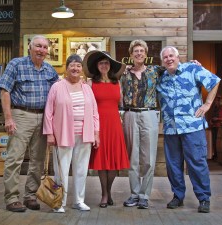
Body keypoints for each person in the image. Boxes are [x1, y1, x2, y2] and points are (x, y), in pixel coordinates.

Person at [0, 35, 59, 212]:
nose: (41, 50)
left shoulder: (49, 70)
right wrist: (8, 118)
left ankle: (30, 196)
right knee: (14, 158)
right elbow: (4, 91)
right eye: (38, 46)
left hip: (42, 118)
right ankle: (12, 198)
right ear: (30, 48)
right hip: (21, 115)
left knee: (38, 161)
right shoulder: (16, 64)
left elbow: (59, 92)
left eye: (45, 47)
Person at [156, 46, 220, 213]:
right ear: (162, 61)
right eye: (165, 57)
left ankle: (204, 198)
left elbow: (214, 81)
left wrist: (207, 104)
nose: (169, 59)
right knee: (173, 165)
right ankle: (178, 196)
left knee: (197, 163)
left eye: (171, 56)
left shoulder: (192, 69)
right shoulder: (161, 78)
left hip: (193, 127)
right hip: (171, 129)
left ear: (178, 57)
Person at [43, 54, 100, 213]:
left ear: (82, 69)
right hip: (62, 134)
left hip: (84, 134)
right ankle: (60, 202)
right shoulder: (57, 86)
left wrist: (96, 133)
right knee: (61, 170)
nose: (75, 68)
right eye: (72, 65)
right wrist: (49, 133)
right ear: (66, 68)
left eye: (78, 66)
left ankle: (78, 201)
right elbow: (49, 112)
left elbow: (95, 113)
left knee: (81, 169)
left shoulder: (87, 88)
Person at [83, 50, 130, 208]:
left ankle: (108, 192)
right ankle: (104, 194)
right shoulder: (90, 83)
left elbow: (121, 102)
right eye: (101, 63)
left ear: (110, 66)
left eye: (107, 63)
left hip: (115, 124)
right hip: (98, 124)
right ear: (97, 66)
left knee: (114, 161)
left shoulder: (117, 82)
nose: (104, 65)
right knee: (102, 161)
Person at [120, 40, 161, 209]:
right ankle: (135, 193)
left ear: (146, 54)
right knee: (133, 157)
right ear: (131, 55)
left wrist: (193, 64)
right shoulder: (124, 73)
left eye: (141, 51)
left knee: (149, 158)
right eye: (135, 51)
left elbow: (175, 68)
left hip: (150, 113)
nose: (138, 53)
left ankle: (145, 195)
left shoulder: (155, 71)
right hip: (130, 114)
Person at [210, 95, 222, 160]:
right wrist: (211, 120)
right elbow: (212, 116)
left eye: (216, 101)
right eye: (215, 101)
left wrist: (218, 119)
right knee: (214, 141)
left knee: (219, 141)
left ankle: (220, 156)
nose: (215, 102)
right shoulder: (214, 109)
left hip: (219, 127)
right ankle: (215, 155)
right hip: (214, 126)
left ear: (219, 101)